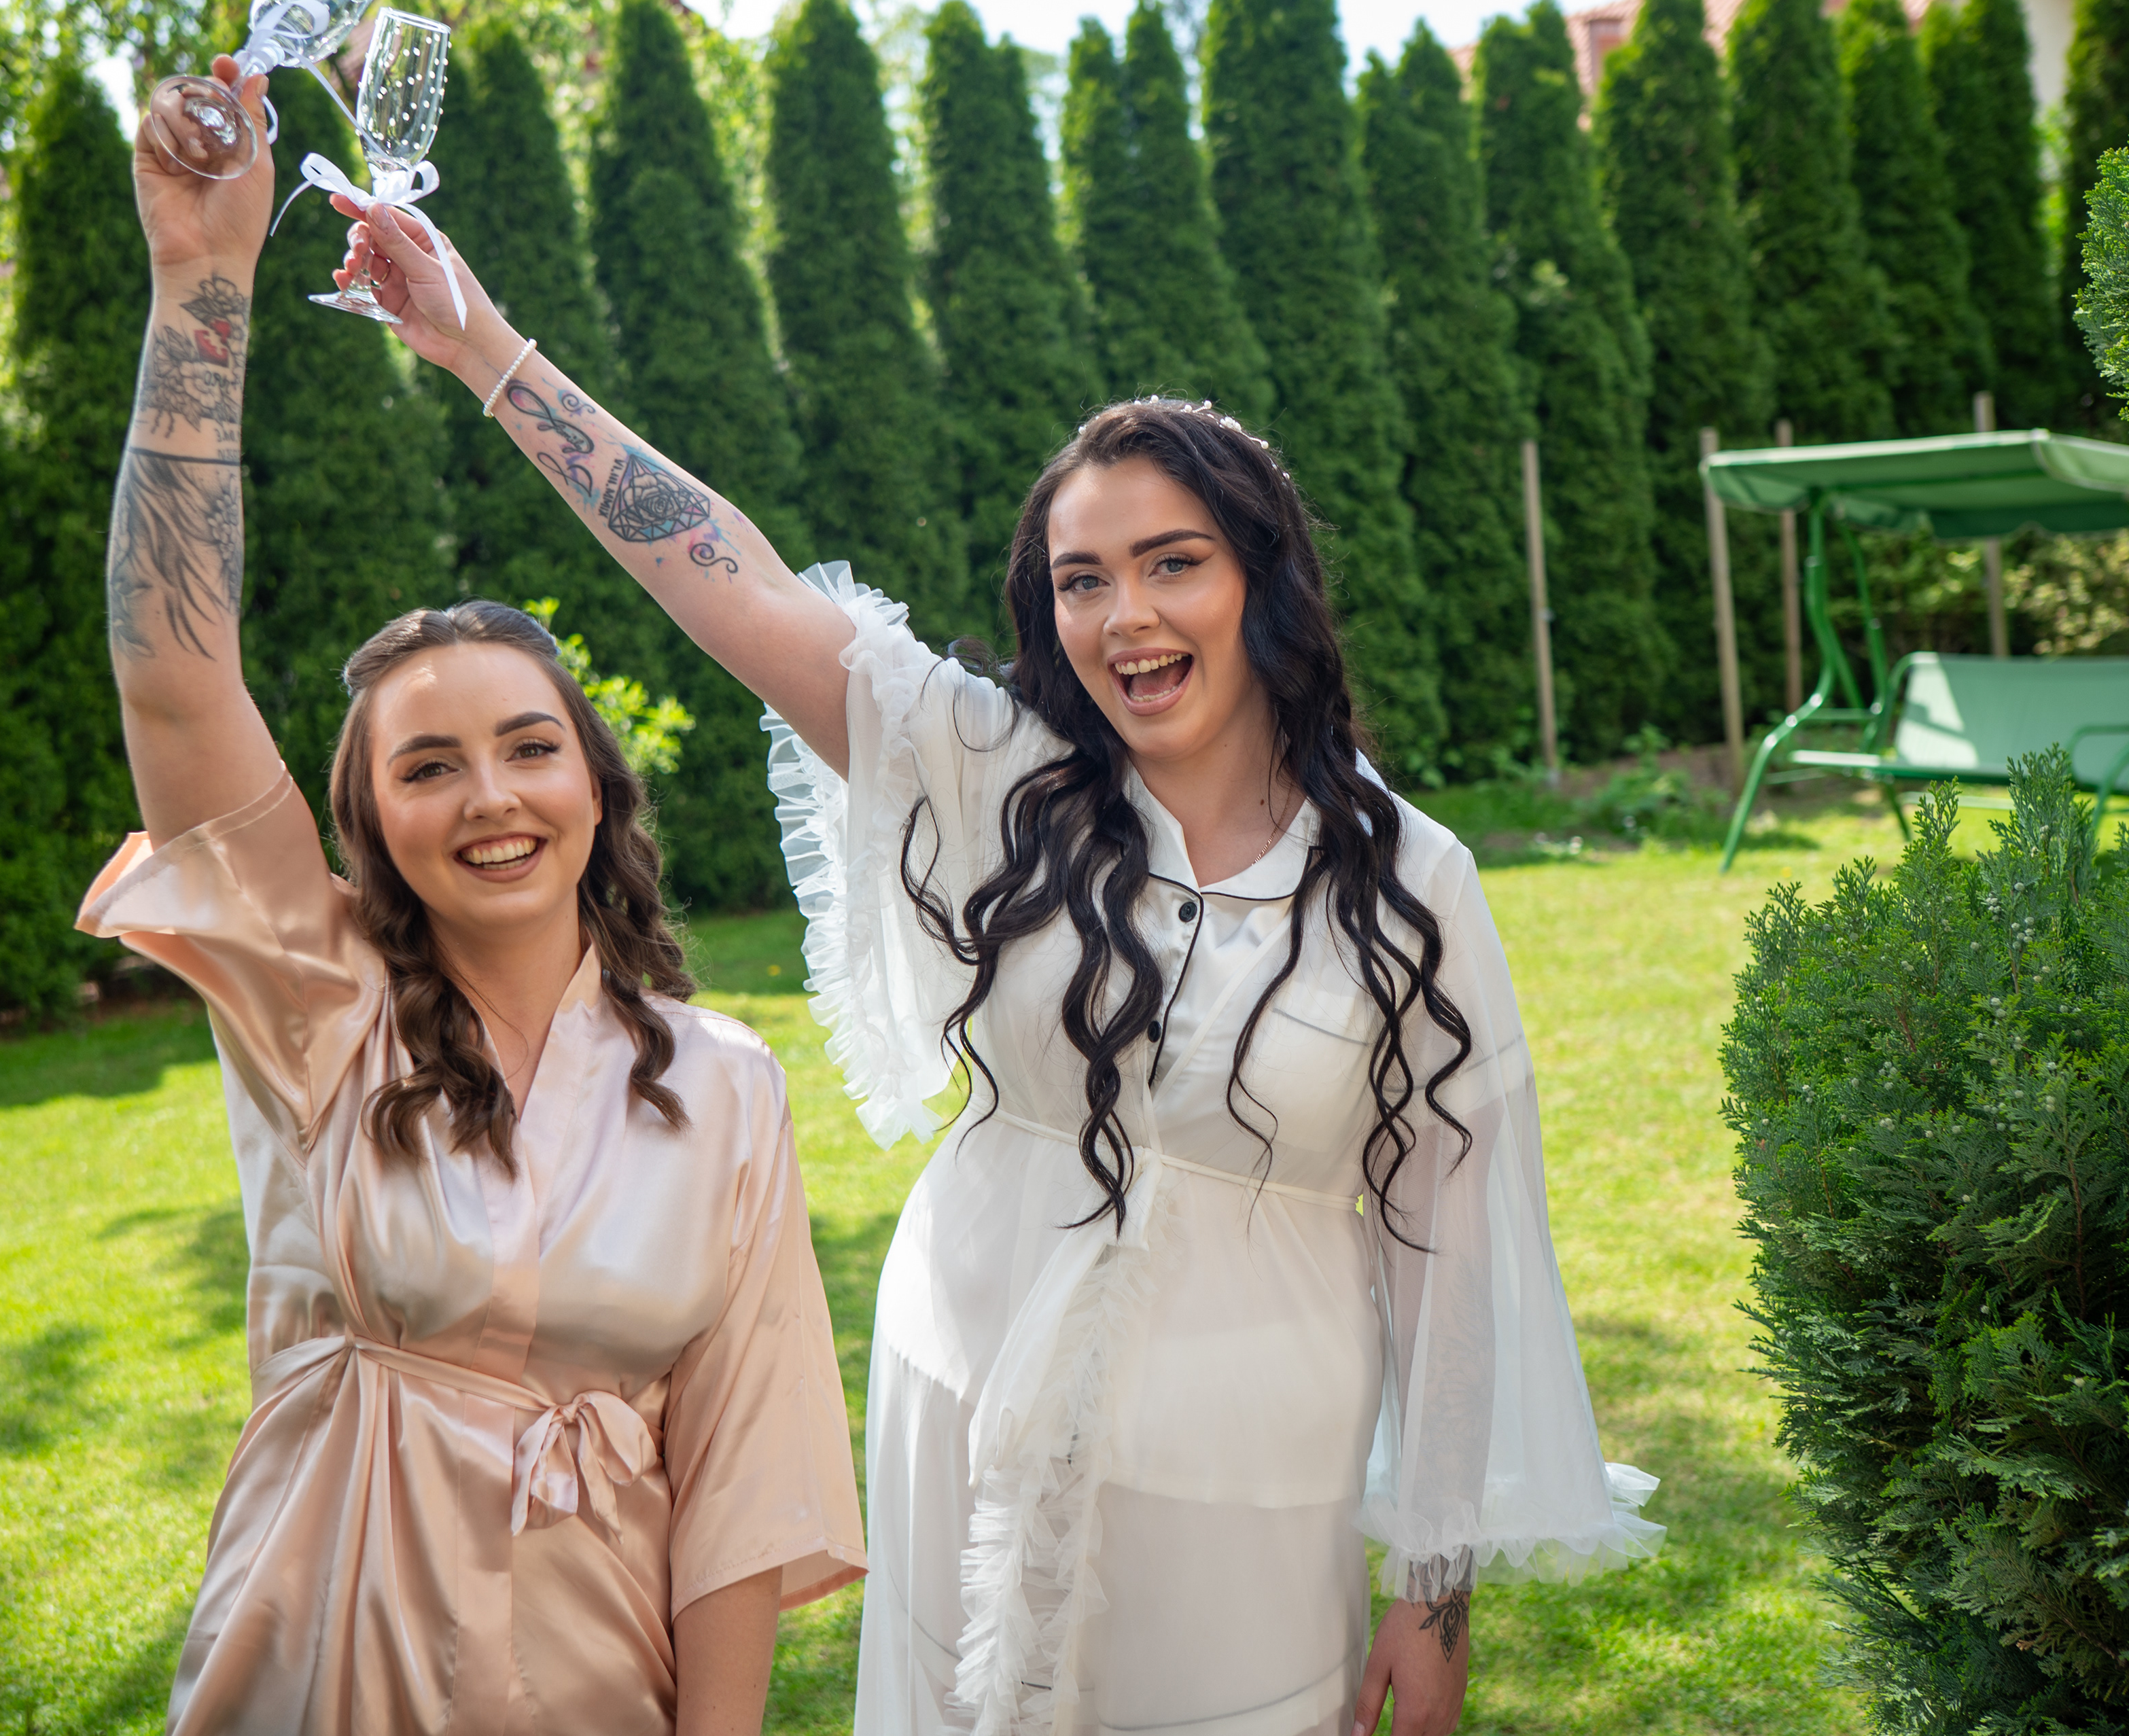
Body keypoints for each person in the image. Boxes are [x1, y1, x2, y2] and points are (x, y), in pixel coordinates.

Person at [340, 107, 1662, 1736]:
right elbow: (726, 575)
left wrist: (1432, 1589)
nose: (1126, 615)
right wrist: (482, 349)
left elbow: (1450, 1246)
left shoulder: (1410, 880)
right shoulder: (998, 777)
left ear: (1264, 582)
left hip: (1254, 1493)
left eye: (1172, 564)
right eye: (1082, 579)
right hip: (960, 1409)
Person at [94, 68, 864, 1736]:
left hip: (600, 1686)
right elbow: (173, 677)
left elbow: (748, 1481)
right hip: (320, 1674)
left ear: (597, 786)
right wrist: (202, 285)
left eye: (529, 747)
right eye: (428, 766)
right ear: (368, 820)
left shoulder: (724, 1086)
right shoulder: (318, 999)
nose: (492, 797)